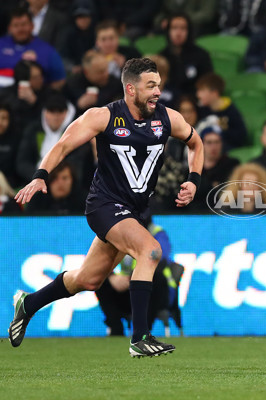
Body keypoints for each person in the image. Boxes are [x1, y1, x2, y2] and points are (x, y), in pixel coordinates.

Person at [9, 57, 204, 358]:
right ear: (130, 89)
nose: (157, 92)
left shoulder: (168, 118)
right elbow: (62, 145)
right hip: (104, 205)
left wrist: (193, 180)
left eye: (159, 86)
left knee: (88, 279)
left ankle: (28, 303)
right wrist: (39, 177)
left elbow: (197, 144)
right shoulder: (104, 116)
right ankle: (140, 338)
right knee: (150, 250)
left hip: (133, 211)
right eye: (150, 86)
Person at [96, 218, 184, 337]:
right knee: (100, 279)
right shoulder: (121, 235)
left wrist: (133, 277)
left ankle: (143, 331)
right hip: (129, 291)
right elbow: (102, 259)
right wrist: (112, 277)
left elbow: (158, 257)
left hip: (159, 295)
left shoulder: (157, 233)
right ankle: (116, 329)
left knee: (156, 277)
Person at [0, 7, 66, 89]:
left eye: (24, 24)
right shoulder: (1, 44)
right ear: (9, 28)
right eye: (16, 25)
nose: (20, 29)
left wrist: (42, 96)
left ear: (32, 26)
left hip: (32, 97)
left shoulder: (47, 50)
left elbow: (59, 80)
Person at [159, 13, 213, 97]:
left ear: (189, 31)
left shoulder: (201, 55)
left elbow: (208, 84)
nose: (178, 33)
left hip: (195, 103)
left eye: (183, 28)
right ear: (168, 31)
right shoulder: (161, 57)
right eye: (174, 28)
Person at [196, 72, 248, 150]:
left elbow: (240, 135)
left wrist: (221, 132)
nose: (198, 95)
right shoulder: (201, 110)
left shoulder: (230, 111)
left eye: (202, 90)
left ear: (214, 92)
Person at [193, 124, 240, 210]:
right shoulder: (193, 168)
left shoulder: (232, 165)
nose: (213, 147)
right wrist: (213, 186)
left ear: (222, 144)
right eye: (209, 142)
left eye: (217, 142)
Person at [63, 50, 123, 117]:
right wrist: (78, 106)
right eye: (100, 72)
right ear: (86, 72)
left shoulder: (115, 83)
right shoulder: (72, 84)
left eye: (106, 69)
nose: (106, 74)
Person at [0, 103, 21, 188]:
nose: (0, 122)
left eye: (4, 118)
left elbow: (19, 167)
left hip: (10, 186)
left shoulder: (17, 139)